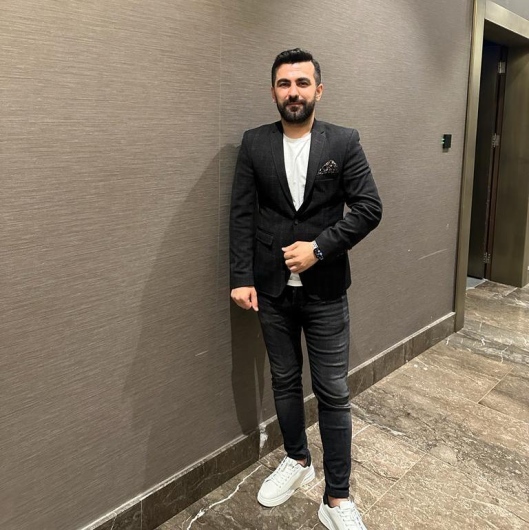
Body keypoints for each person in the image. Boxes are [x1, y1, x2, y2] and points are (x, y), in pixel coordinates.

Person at [229, 48, 382, 530]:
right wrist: (241, 277)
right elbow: (242, 215)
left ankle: (337, 498)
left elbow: (369, 208)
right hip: (272, 291)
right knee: (284, 380)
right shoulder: (254, 143)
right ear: (273, 91)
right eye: (283, 83)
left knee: (333, 390)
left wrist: (318, 248)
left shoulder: (344, 142)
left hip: (326, 291)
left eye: (301, 83)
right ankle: (297, 459)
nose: (292, 92)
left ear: (318, 89)